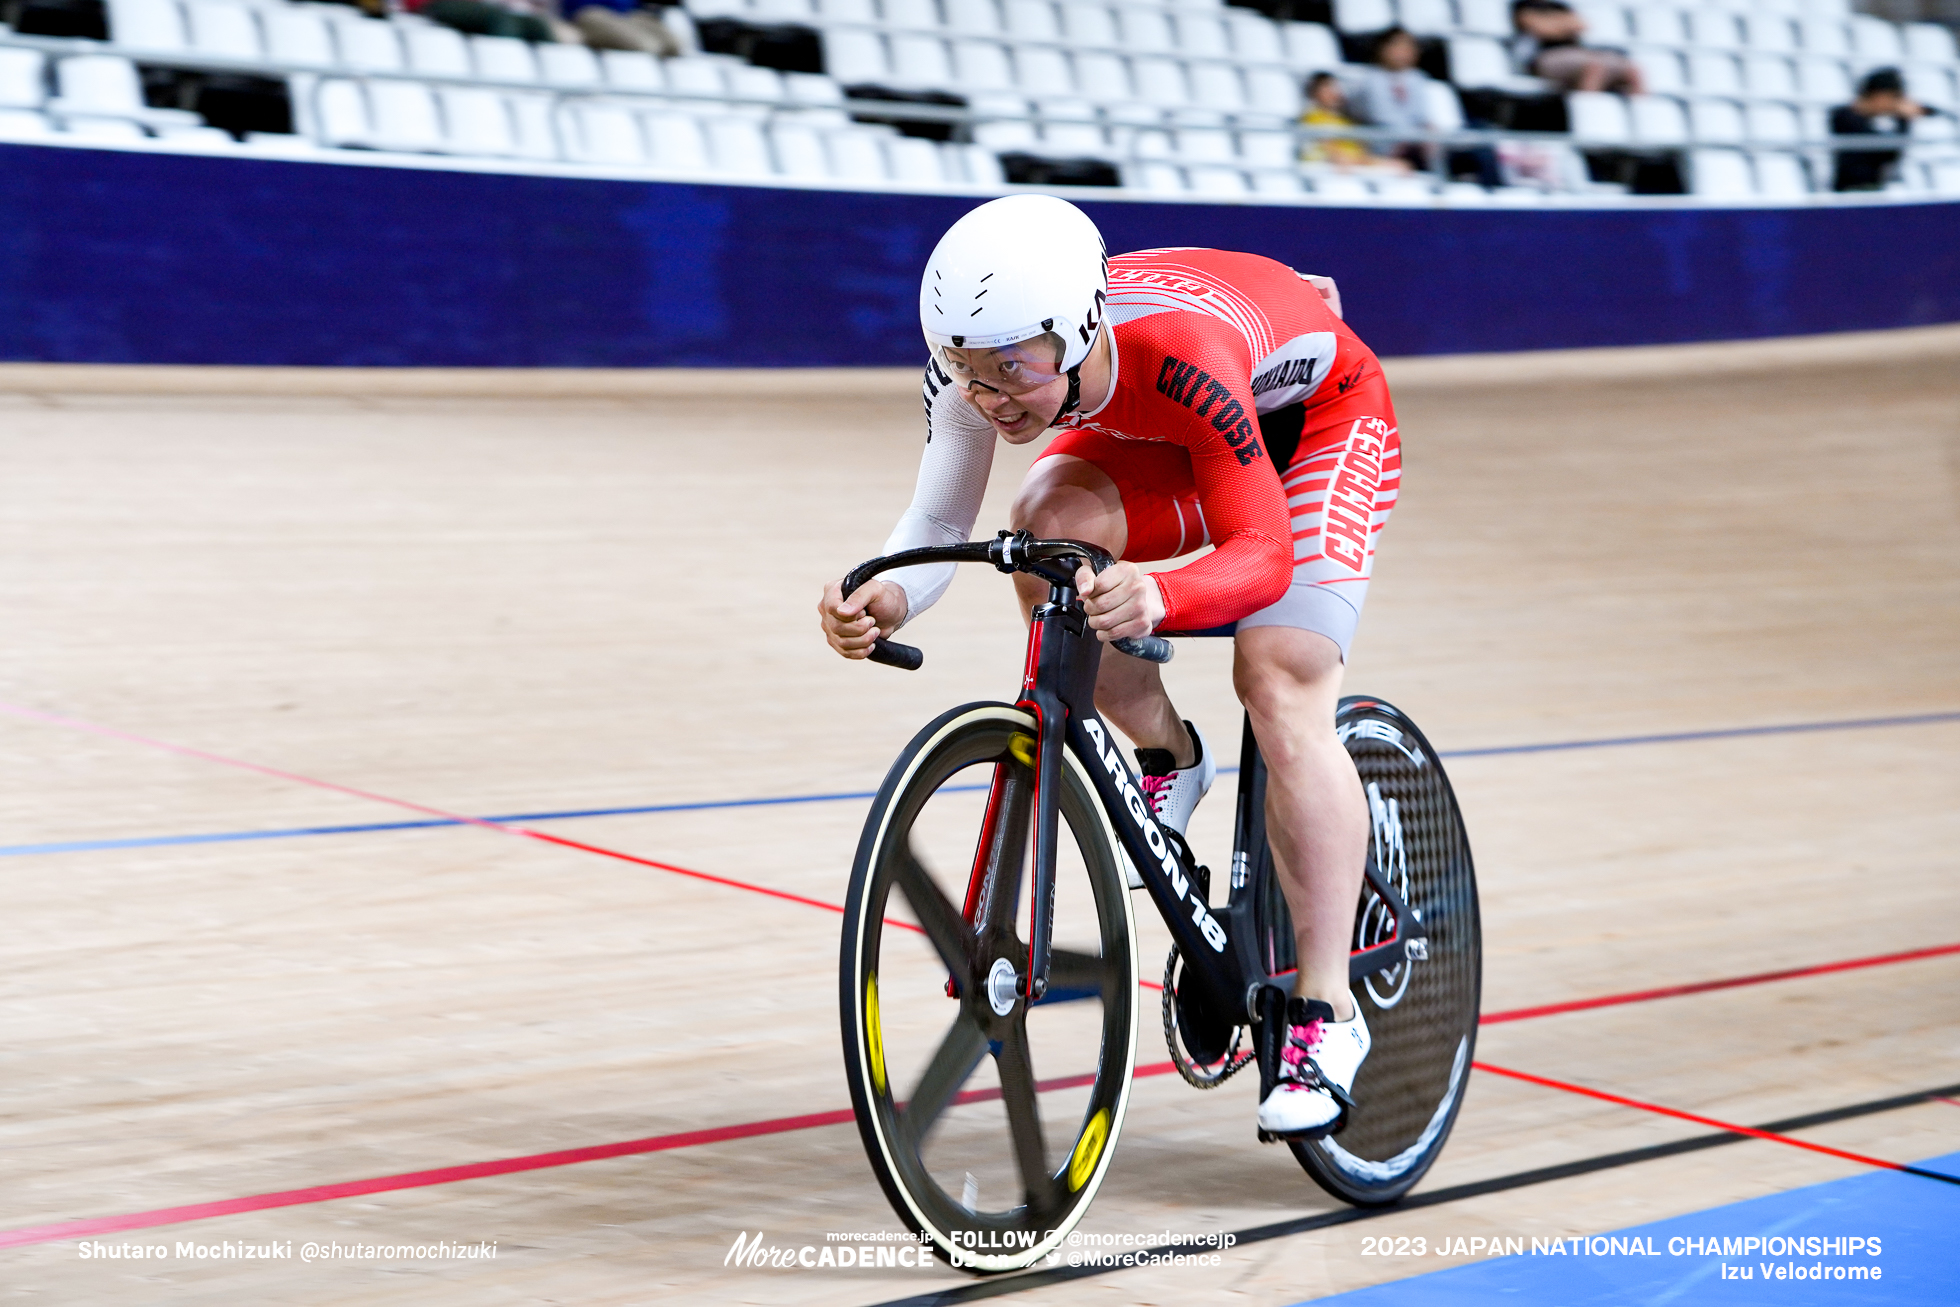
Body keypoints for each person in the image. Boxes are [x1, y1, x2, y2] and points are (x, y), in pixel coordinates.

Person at [817, 196, 1401, 1140]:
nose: (995, 396)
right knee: (1048, 538)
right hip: (1171, 424)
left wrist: (1162, 598)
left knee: (1279, 673)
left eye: (1016, 369)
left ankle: (1326, 1013)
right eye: (969, 372)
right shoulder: (979, 364)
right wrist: (888, 596)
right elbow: (936, 524)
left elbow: (1264, 553)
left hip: (1315, 425)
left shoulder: (1180, 352)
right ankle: (1172, 753)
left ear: (1081, 329)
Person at [1347, 27, 1440, 169]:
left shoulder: (1416, 78)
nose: (1405, 51)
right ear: (1382, 49)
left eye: (1409, 46)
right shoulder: (1370, 80)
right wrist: (1417, 137)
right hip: (1386, 147)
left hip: (1414, 144)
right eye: (1398, 45)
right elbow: (1382, 117)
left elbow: (1421, 116)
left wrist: (1428, 131)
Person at [1509, 0, 1644, 94]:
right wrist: (1563, 23)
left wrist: (1551, 23)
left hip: (1576, 54)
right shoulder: (1524, 5)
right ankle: (1589, 113)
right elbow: (1539, 28)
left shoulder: (1559, 5)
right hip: (1544, 57)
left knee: (1631, 69)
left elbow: (1581, 25)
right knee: (1594, 66)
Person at [1831, 67, 1930, 192]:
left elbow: (1892, 153)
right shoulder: (1844, 116)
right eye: (1893, 97)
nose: (1894, 103)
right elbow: (1878, 148)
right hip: (1850, 191)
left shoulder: (1868, 120)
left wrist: (1903, 120)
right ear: (1878, 95)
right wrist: (1903, 120)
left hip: (1874, 190)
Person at [1299, 71, 1405, 171]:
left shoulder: (1346, 120)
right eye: (1327, 87)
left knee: (1401, 167)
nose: (1334, 92)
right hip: (1330, 167)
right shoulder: (1313, 117)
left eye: (1335, 87)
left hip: (1357, 164)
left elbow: (1361, 153)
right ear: (1314, 92)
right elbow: (1334, 153)